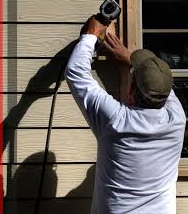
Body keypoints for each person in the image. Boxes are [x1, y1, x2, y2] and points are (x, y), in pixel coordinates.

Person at [64, 16, 186, 214]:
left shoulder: (115, 120)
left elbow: (76, 72)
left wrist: (91, 35)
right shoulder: (177, 118)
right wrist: (129, 58)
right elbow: (159, 86)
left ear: (130, 92)